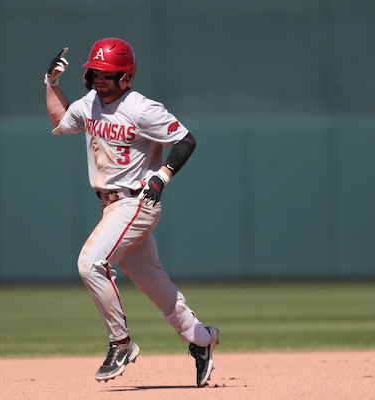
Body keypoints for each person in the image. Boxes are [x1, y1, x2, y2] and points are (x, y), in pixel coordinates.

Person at [44, 39, 219, 387]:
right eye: (94, 71)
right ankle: (202, 339)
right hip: (110, 206)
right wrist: (51, 84)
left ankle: (121, 343)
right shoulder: (89, 104)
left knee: (90, 263)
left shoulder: (141, 108)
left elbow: (185, 141)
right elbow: (62, 119)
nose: (98, 78)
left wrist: (162, 177)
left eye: (107, 73)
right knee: (152, 282)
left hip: (136, 201)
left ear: (126, 76)